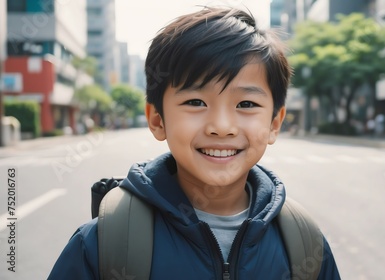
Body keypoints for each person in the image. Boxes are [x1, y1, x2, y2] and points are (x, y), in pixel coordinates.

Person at [48, 7, 341, 279]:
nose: (222, 127)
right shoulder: (102, 246)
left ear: (274, 123)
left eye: (247, 103)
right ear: (157, 120)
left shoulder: (305, 244)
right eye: (196, 101)